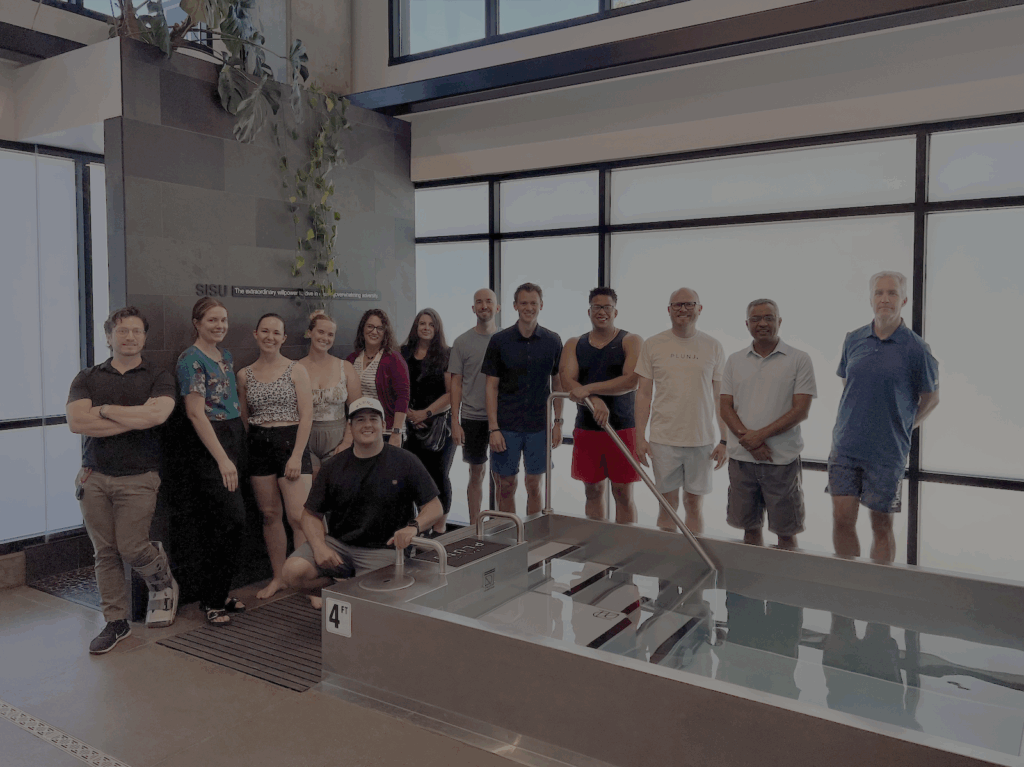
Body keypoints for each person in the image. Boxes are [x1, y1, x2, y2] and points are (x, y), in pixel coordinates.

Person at [66, 307, 178, 654]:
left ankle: (163, 582)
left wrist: (104, 410)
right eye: (122, 331)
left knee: (131, 546)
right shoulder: (87, 377)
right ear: (109, 336)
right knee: (105, 552)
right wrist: (137, 417)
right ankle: (116, 622)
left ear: (145, 337)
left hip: (140, 477)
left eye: (137, 331)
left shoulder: (158, 375)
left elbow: (159, 415)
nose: (130, 337)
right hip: (94, 476)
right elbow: (76, 423)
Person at [281, 397, 444, 594]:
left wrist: (413, 528)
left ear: (383, 425)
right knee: (292, 572)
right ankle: (337, 589)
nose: (367, 425)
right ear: (350, 427)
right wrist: (318, 547)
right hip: (339, 546)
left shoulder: (405, 461)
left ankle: (352, 593)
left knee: (370, 598)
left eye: (373, 419)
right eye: (360, 420)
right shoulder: (333, 466)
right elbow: (310, 514)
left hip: (384, 550)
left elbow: (435, 507)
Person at [829, 271, 939, 563]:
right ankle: (846, 591)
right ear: (871, 299)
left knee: (881, 525)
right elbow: (849, 383)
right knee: (841, 519)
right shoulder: (853, 339)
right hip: (845, 446)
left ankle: (877, 599)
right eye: (879, 293)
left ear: (903, 299)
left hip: (887, 451)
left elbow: (931, 398)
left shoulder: (917, 349)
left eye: (891, 293)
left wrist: (905, 425)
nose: (885, 299)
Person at [720, 299, 816, 550]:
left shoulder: (799, 359)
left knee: (786, 533)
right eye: (755, 319)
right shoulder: (734, 360)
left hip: (780, 461)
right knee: (749, 531)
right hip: (742, 461)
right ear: (747, 324)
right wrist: (750, 443)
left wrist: (758, 436)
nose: (762, 323)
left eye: (769, 318)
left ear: (779, 321)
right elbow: (725, 407)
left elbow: (801, 411)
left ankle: (783, 588)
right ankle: (751, 587)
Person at [177, 298, 248, 626]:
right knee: (226, 521)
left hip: (232, 436)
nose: (219, 325)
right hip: (210, 442)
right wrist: (222, 458)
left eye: (223, 320)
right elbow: (194, 411)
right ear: (197, 322)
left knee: (230, 524)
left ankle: (219, 592)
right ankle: (211, 599)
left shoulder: (225, 355)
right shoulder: (190, 360)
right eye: (212, 320)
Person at [635, 287, 727, 534]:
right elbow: (643, 393)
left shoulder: (713, 346)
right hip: (663, 439)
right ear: (668, 310)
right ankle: (669, 568)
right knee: (666, 505)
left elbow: (720, 397)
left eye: (689, 304)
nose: (683, 309)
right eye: (677, 305)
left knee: (694, 505)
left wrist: (725, 440)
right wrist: (639, 436)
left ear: (699, 308)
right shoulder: (653, 344)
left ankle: (694, 564)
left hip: (701, 440)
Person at [237, 313, 314, 600]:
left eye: (276, 332)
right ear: (255, 334)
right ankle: (279, 577)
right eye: (265, 331)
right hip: (259, 444)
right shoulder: (244, 374)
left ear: (283, 338)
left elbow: (307, 416)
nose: (270, 337)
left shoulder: (296, 370)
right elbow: (245, 420)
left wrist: (295, 456)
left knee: (299, 517)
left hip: (291, 442)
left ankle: (309, 582)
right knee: (270, 515)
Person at [559, 287, 643, 524]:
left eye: (607, 307)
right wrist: (593, 399)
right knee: (593, 491)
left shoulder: (631, 340)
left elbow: (631, 380)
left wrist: (589, 389)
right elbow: (568, 383)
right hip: (587, 428)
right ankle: (598, 549)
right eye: (597, 307)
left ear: (615, 311)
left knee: (623, 494)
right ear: (589, 311)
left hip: (623, 427)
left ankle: (625, 552)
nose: (602, 311)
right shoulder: (574, 343)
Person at [483, 282, 564, 516]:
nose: (529, 307)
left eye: (534, 303)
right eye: (524, 303)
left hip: (539, 426)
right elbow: (491, 387)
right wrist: (493, 428)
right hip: (506, 426)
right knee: (506, 486)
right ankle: (509, 538)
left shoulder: (553, 340)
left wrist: (558, 423)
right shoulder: (500, 341)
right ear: (515, 306)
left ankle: (534, 541)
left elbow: (557, 384)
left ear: (541, 306)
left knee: (534, 485)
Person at [401, 308, 455, 535]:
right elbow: (396, 388)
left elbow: (452, 394)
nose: (426, 328)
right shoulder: (403, 353)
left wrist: (426, 413)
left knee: (439, 477)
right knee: (413, 478)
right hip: (408, 425)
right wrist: (409, 414)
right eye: (422, 323)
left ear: (437, 328)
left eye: (431, 324)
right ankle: (419, 526)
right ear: (416, 327)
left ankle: (439, 527)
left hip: (439, 427)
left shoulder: (446, 354)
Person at [449, 288, 500, 526]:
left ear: (497, 307)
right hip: (472, 418)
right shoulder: (461, 342)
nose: (484, 306)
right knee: (476, 473)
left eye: (489, 301)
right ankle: (474, 526)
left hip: (502, 420)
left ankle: (501, 523)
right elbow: (456, 384)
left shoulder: (505, 341)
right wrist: (455, 421)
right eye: (479, 302)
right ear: (473, 308)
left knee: (503, 476)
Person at [298, 310, 359, 479]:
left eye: (330, 334)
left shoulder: (345, 367)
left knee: (335, 489)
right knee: (311, 492)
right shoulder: (295, 368)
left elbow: (357, 410)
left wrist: (347, 442)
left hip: (338, 437)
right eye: (321, 332)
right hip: (305, 438)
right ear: (310, 333)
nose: (325, 338)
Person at [346, 309, 410, 447]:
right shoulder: (352, 359)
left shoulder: (393, 359)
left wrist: (396, 432)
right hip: (359, 431)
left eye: (380, 328)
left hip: (386, 432)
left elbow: (403, 397)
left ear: (385, 332)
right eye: (370, 326)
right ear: (362, 328)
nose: (374, 332)